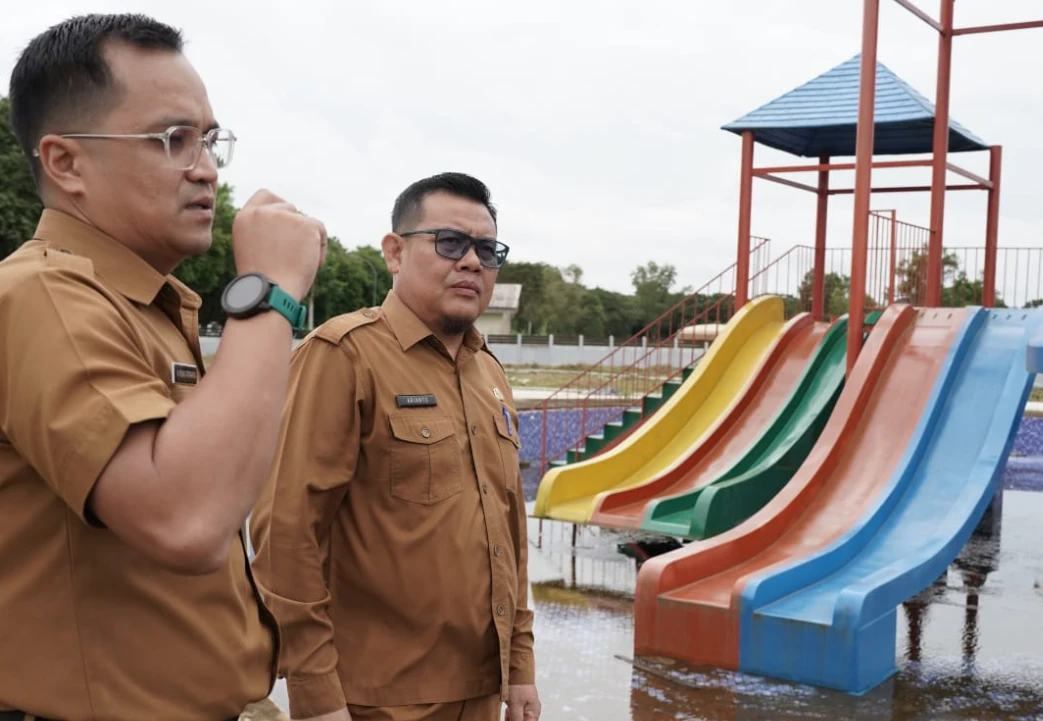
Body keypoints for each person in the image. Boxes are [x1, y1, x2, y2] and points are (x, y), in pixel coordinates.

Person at [0, 13, 326, 721]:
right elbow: (188, 520)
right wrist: (267, 291)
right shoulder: (43, 295)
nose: (205, 167)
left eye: (208, 140)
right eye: (172, 139)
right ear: (65, 163)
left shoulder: (142, 302)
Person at [249, 172, 541, 721]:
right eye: (450, 243)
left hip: (482, 691)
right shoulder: (343, 356)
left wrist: (520, 667)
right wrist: (314, 694)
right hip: (376, 700)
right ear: (395, 252)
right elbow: (287, 531)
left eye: (487, 249)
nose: (472, 262)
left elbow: (509, 532)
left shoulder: (490, 374)